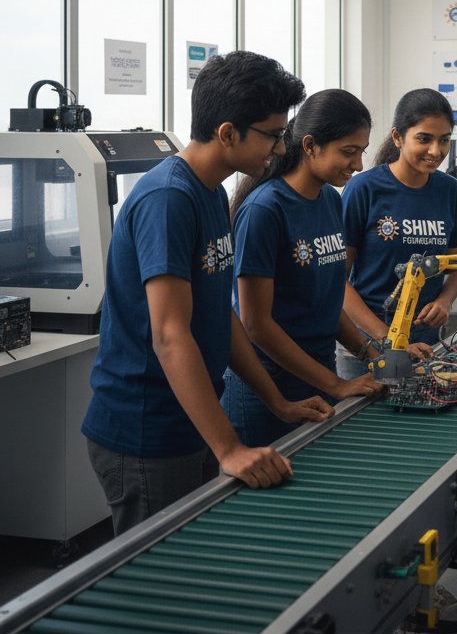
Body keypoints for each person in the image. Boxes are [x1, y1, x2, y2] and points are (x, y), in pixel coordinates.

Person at [82, 52, 334, 535]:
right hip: (146, 430)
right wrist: (229, 448)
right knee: (157, 585)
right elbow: (170, 337)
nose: (281, 148)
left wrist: (277, 401)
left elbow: (221, 316)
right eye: (271, 134)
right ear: (227, 133)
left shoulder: (213, 192)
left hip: (194, 418)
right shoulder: (169, 199)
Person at [222, 89, 385, 447]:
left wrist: (370, 352)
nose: (358, 164)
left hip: (319, 372)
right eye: (348, 151)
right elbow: (255, 324)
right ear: (310, 145)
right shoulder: (265, 210)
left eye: (362, 151)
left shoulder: (329, 198)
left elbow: (328, 299)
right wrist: (336, 385)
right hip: (268, 387)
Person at [340, 89, 457, 375]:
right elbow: (338, 282)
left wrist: (444, 302)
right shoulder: (364, 189)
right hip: (366, 344)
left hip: (427, 344)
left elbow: (455, 270)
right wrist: (388, 338)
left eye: (444, 140)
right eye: (424, 139)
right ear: (398, 138)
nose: (436, 151)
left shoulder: (450, 191)